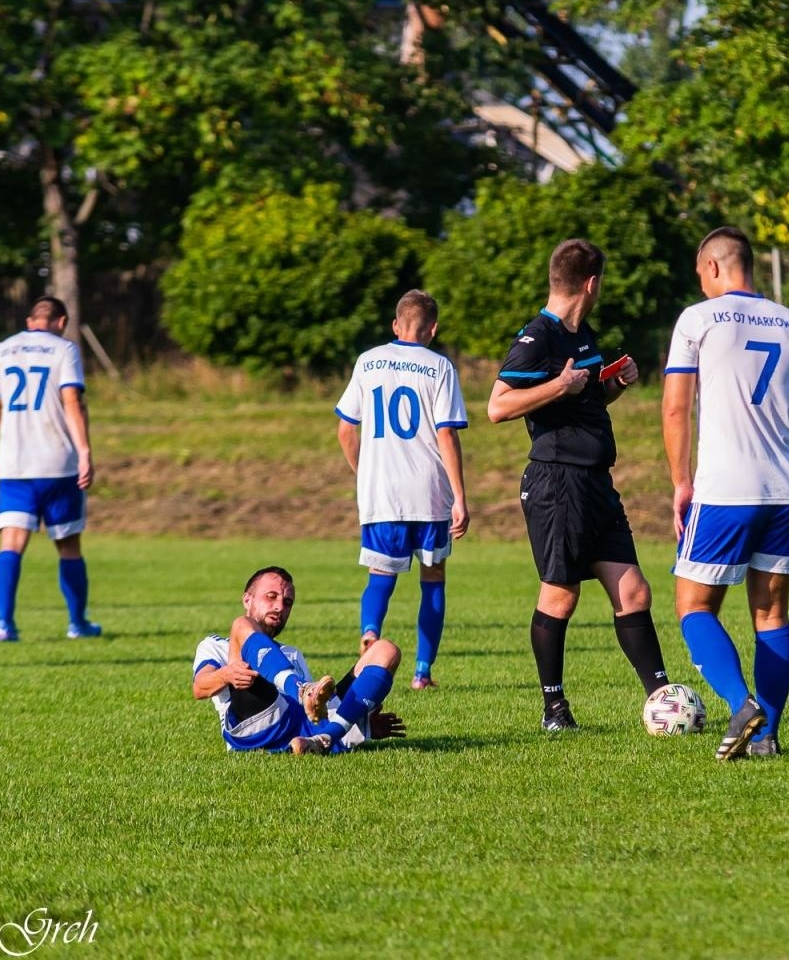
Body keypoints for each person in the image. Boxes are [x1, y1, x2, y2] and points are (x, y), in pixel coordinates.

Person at [488, 239, 671, 733]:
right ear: (591, 284)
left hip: (595, 484)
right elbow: (497, 406)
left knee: (634, 592)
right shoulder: (538, 337)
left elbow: (582, 403)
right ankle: (554, 710)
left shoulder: (582, 334)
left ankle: (664, 701)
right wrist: (558, 385)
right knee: (560, 597)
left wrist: (615, 384)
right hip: (557, 483)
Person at [662, 226, 789, 760]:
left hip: (725, 488)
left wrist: (681, 481)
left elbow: (676, 408)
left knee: (693, 605)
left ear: (712, 267)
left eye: (700, 273)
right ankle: (767, 737)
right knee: (772, 613)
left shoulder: (699, 319)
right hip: (784, 488)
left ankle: (741, 704)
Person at [335, 290, 470, 690]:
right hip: (428, 492)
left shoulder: (368, 361)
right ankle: (422, 673)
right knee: (433, 576)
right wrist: (460, 497)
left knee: (380, 574)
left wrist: (366, 474)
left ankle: (370, 634)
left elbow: (346, 431)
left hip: (382, 494)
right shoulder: (440, 367)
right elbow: (446, 434)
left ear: (396, 325)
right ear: (433, 329)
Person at [192, 566, 406, 756]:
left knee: (387, 650)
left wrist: (361, 722)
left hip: (306, 730)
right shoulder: (217, 645)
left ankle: (326, 738)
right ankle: (302, 691)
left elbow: (317, 712)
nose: (279, 607)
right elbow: (200, 687)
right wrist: (226, 674)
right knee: (241, 624)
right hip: (259, 726)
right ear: (247, 599)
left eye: (287, 602)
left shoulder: (292, 653)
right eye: (271, 597)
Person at [0, 295, 100, 642]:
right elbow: (72, 401)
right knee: (68, 545)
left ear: (29, 320)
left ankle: (4, 624)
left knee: (11, 543)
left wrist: (13, 435)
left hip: (14, 464)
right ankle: (77, 624)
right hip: (57, 463)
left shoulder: (1, 350)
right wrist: (84, 452)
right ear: (61, 322)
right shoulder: (65, 350)